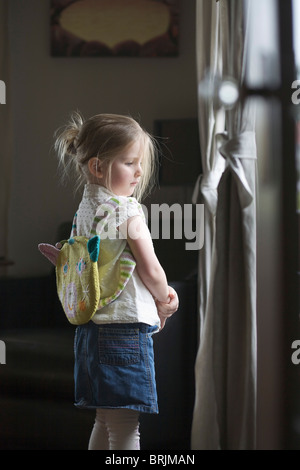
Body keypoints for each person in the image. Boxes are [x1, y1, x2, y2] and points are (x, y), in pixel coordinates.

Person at [54, 111, 179, 450]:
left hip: (91, 330)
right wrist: (166, 298)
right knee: (126, 427)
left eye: (139, 163)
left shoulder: (85, 209)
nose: (139, 171)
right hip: (122, 331)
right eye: (129, 162)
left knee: (105, 420)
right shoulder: (126, 211)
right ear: (97, 167)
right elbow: (150, 268)